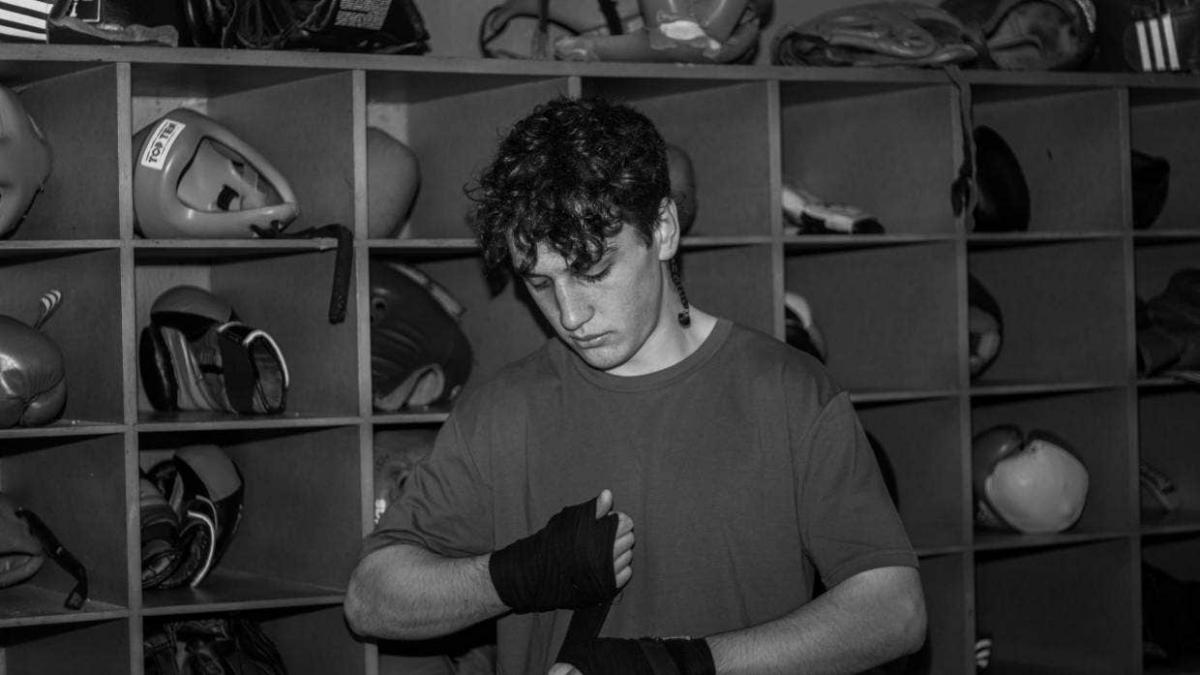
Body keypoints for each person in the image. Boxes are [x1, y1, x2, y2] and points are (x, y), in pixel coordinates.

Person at [344, 95, 927, 674]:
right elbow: (371, 600)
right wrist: (512, 575)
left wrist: (682, 665)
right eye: (540, 284)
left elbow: (894, 612)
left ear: (663, 229)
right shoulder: (503, 411)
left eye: (593, 271)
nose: (570, 315)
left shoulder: (788, 391)